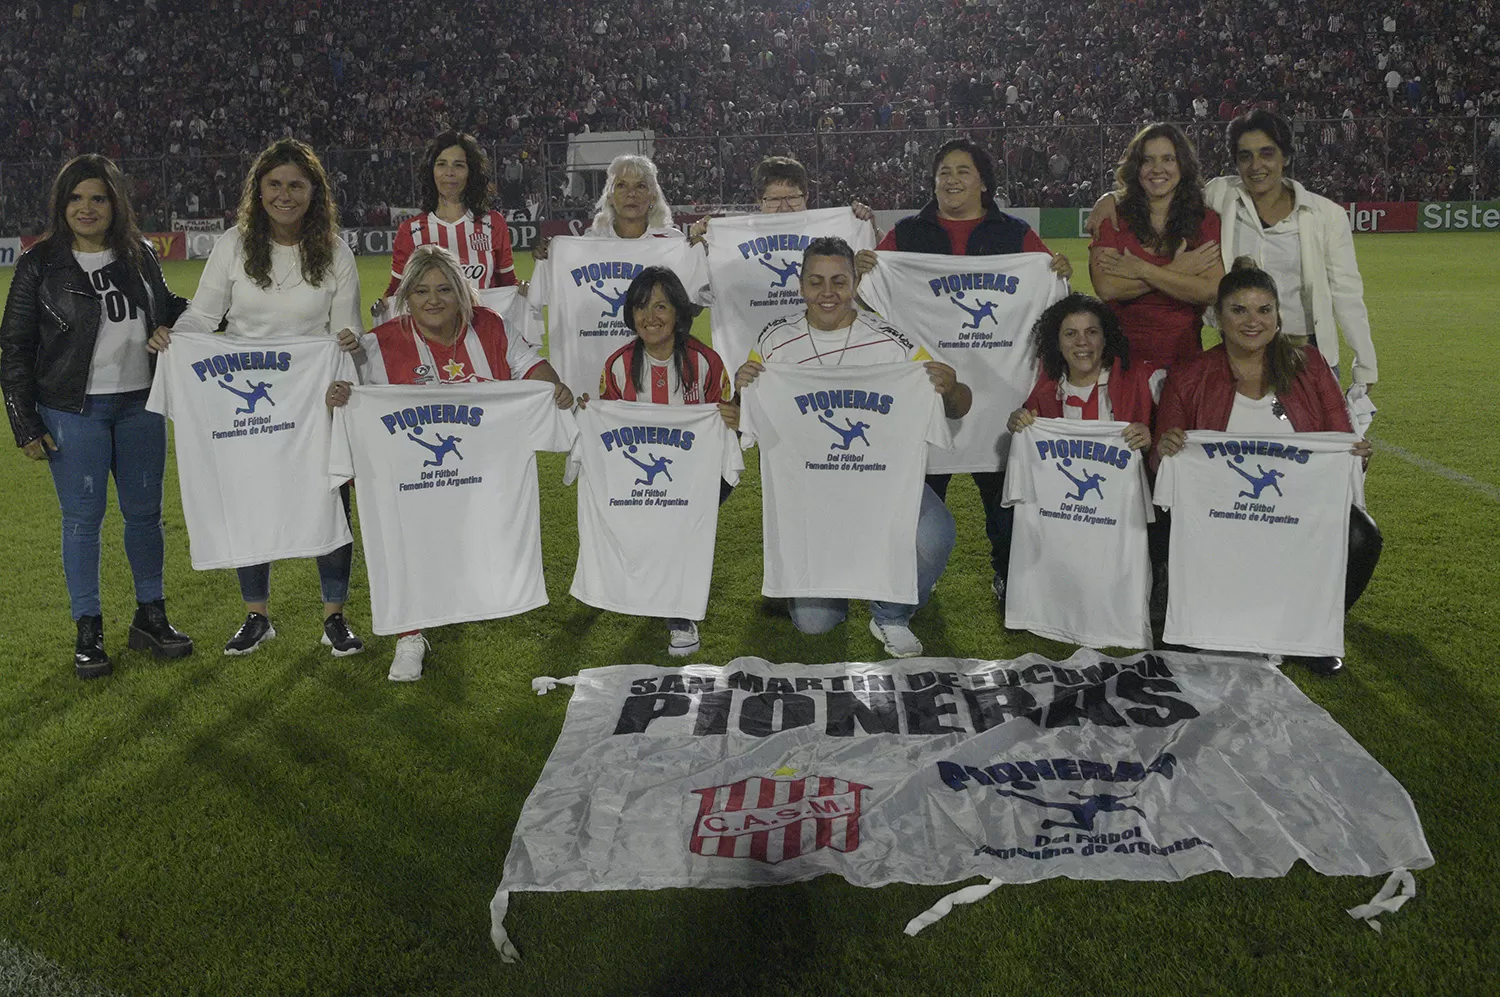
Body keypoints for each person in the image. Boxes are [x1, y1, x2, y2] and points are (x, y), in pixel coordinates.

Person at [150, 139, 365, 658]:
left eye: (295, 184)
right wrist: (173, 339)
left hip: (315, 396)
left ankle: (334, 617)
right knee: (249, 497)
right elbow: (204, 317)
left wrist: (350, 345)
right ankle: (256, 615)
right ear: (259, 191)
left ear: (314, 192)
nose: (285, 195)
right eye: (274, 185)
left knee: (331, 496)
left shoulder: (335, 250)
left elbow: (347, 325)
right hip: (246, 390)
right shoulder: (233, 244)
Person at [329, 244, 574, 680]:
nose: (434, 299)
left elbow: (532, 368)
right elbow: (349, 396)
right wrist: (340, 396)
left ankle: (478, 598)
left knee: (471, 543)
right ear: (406, 297)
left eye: (445, 288)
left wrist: (553, 390)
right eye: (421, 291)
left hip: (479, 472)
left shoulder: (492, 328)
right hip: (411, 474)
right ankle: (410, 635)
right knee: (406, 543)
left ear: (462, 291)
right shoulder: (379, 344)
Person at [0, 154, 193, 678]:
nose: (86, 208)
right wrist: (25, 423)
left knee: (145, 516)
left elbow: (170, 306)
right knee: (83, 522)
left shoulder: (139, 255)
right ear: (61, 205)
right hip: (71, 411)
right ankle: (88, 629)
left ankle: (151, 615)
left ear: (116, 203)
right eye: (76, 198)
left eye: (98, 198)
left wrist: (195, 319)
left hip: (140, 404)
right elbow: (13, 348)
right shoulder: (40, 265)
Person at [735, 237, 972, 658]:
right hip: (813, 494)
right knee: (813, 624)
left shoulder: (891, 340)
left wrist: (951, 387)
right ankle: (840, 582)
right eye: (816, 282)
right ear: (800, 284)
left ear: (856, 282)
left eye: (839, 281)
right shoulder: (774, 340)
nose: (828, 293)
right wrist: (743, 390)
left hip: (879, 483)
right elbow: (746, 416)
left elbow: (957, 406)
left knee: (936, 533)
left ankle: (890, 614)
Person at [861, 137, 1071, 605]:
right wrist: (865, 271)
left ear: (983, 182)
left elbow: (1050, 298)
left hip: (1000, 398)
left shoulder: (1015, 235)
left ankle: (1007, 576)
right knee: (918, 495)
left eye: (962, 171)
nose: (951, 180)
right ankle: (915, 576)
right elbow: (868, 304)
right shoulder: (908, 236)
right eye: (943, 172)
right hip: (925, 395)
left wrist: (1053, 270)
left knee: (1002, 498)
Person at [1154, 259, 1380, 676]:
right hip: (1219, 512)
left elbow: (1339, 439)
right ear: (1217, 317)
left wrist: (1356, 455)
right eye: (1239, 310)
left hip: (1297, 510)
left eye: (1264, 310)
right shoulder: (1190, 376)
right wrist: (1166, 446)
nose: (1252, 321)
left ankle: (1312, 633)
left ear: (1278, 316)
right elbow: (1161, 462)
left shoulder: (1309, 365)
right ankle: (1190, 615)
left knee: (1362, 536)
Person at [1089, 110, 1376, 389]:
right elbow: (1163, 186)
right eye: (1245, 156)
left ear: (1285, 157)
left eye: (1267, 153)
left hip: (1303, 353)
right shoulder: (1221, 196)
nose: (1256, 166)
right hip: (1238, 357)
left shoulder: (1326, 215)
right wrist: (1110, 198)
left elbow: (1347, 293)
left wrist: (1365, 367)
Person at [580, 265, 737, 656]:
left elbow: (727, 427)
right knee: (648, 534)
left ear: (680, 311)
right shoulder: (617, 365)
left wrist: (734, 417)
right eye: (641, 307)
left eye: (662, 306)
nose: (651, 317)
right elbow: (609, 432)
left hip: (697, 477)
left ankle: (679, 612)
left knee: (680, 535)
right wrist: (591, 415)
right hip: (642, 475)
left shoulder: (706, 363)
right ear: (630, 314)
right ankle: (643, 588)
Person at [1088, 123, 1223, 372]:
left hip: (1185, 363)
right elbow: (1107, 288)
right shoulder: (1112, 218)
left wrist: (1142, 270)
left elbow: (1211, 290)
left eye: (1168, 159)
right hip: (1121, 365)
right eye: (1147, 160)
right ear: (1136, 168)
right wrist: (1177, 270)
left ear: (1182, 165)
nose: (1157, 169)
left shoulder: (1205, 221)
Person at [1005, 293, 1159, 448]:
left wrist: (1152, 441)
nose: (1082, 342)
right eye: (1070, 334)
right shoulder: (1042, 394)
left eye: (1091, 332)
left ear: (1105, 338)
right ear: (1057, 343)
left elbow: (1174, 439)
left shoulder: (1143, 377)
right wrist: (1019, 425)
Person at [382, 131, 519, 302]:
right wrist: (382, 306)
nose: (450, 172)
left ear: (471, 172)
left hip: (480, 328)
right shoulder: (411, 231)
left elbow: (507, 285)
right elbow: (397, 291)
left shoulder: (493, 223)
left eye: (459, 165)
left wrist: (524, 290)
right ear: (431, 171)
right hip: (432, 329)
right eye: (441, 164)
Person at [532, 154, 682, 260]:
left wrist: (702, 253)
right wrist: (549, 257)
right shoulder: (591, 243)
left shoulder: (673, 242)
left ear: (653, 197)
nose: (631, 193)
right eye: (621, 185)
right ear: (610, 196)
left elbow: (692, 301)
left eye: (641, 186)